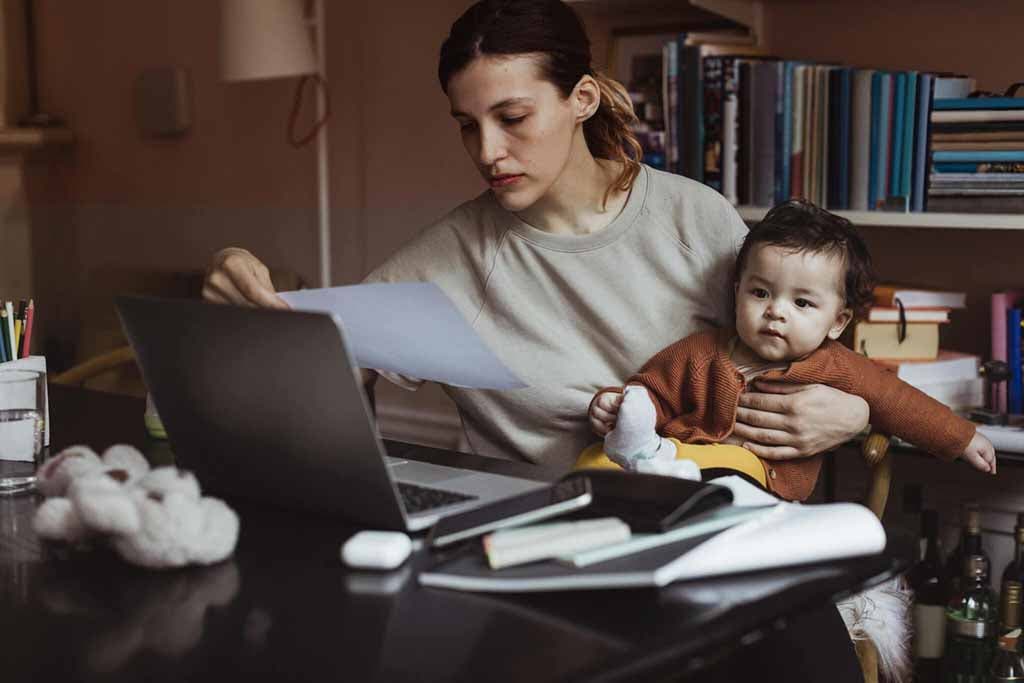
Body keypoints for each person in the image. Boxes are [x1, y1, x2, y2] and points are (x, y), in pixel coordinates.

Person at [203, 0, 872, 476]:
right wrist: (239, 285)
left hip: (704, 523)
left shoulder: (694, 218)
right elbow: (320, 363)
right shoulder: (452, 253)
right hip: (528, 540)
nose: (488, 150)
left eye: (513, 117)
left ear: (581, 98)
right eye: (468, 125)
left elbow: (796, 352)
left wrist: (854, 412)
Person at [585, 200, 997, 500]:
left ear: (838, 321)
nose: (775, 312)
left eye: (801, 303)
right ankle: (640, 463)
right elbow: (652, 391)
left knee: (732, 470)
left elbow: (899, 402)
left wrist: (961, 439)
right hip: (679, 461)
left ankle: (661, 475)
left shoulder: (838, 367)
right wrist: (618, 407)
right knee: (593, 463)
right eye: (760, 292)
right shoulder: (701, 351)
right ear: (737, 292)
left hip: (762, 485)